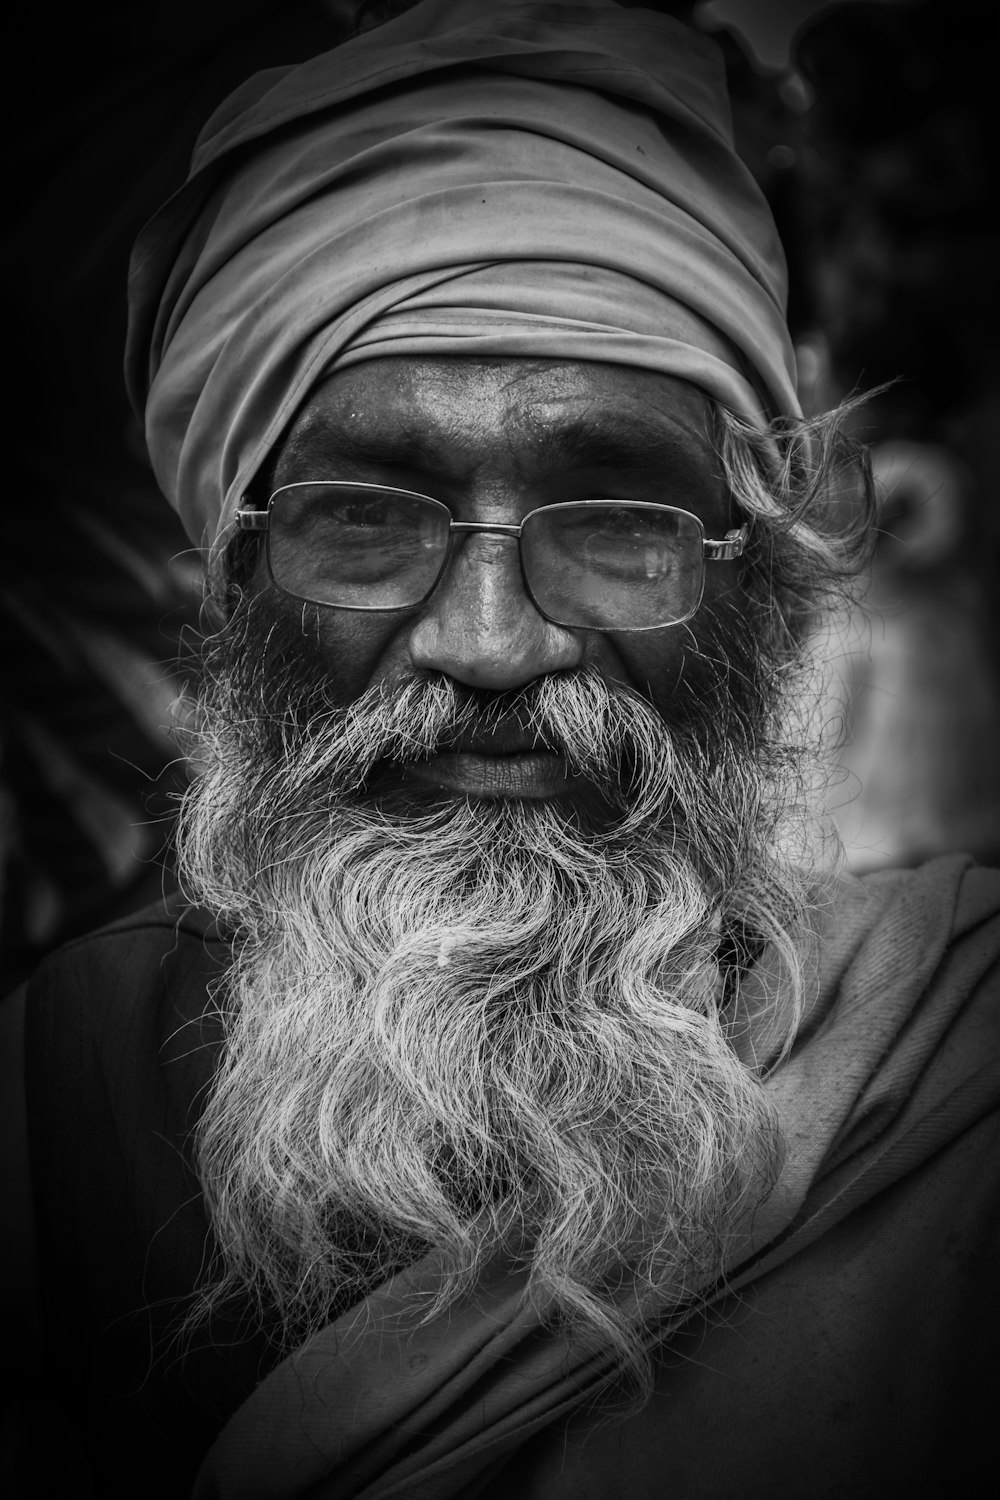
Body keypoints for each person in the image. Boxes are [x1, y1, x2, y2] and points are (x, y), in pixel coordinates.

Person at [1, 1, 997, 1495]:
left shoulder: (964, 1060)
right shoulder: (58, 1083)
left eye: (616, 526)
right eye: (365, 515)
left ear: (761, 592)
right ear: (236, 590)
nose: (486, 641)